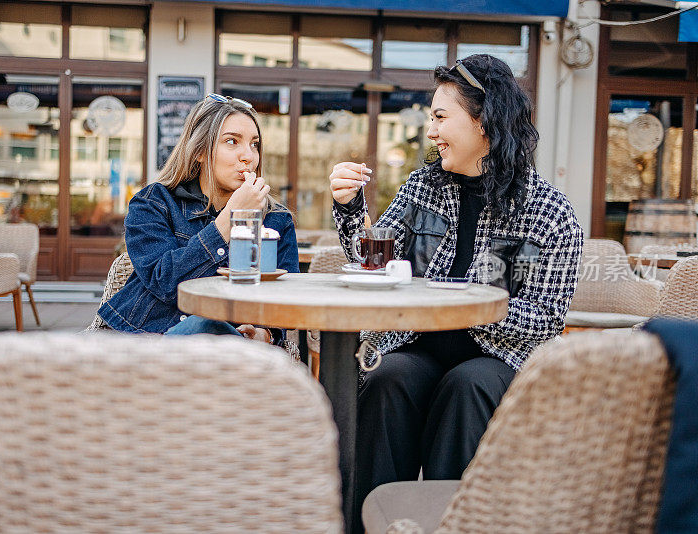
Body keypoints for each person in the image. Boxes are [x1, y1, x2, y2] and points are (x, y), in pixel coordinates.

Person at [329, 54, 583, 532]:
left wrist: (467, 305)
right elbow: (374, 261)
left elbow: (545, 319)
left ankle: (456, 524)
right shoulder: (423, 188)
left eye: (440, 117)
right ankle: (367, 523)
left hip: (495, 359)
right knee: (389, 376)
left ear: (484, 120)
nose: (430, 130)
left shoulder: (546, 212)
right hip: (416, 346)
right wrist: (348, 208)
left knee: (467, 386)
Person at [98, 94, 299, 345]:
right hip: (146, 337)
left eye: (255, 144)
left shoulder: (277, 219)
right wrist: (230, 220)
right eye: (232, 141)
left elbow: (287, 298)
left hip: (232, 347)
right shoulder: (153, 202)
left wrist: (265, 333)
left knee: (215, 332)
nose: (248, 156)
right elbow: (166, 284)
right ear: (200, 151)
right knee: (205, 325)